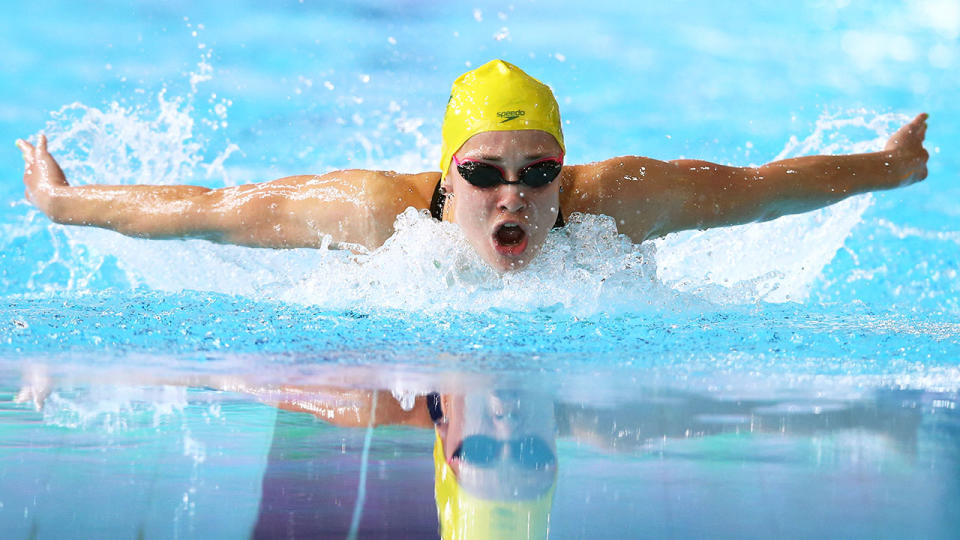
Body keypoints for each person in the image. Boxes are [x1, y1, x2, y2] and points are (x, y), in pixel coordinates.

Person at [16, 59, 929, 272]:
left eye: (540, 174)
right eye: (486, 173)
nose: (515, 197)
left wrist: (887, 169)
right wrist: (63, 205)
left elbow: (764, 191)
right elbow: (206, 209)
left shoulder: (619, 202)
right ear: (446, 178)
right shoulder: (377, 215)